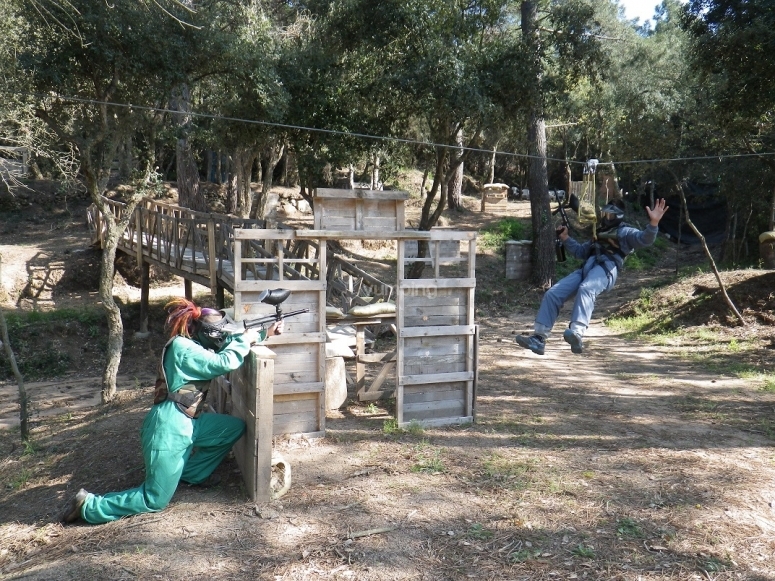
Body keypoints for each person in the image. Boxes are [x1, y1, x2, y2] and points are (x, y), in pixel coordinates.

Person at [60, 298, 283, 524]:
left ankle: (190, 474)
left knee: (232, 428)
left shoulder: (194, 345)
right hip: (167, 428)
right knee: (154, 499)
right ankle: (89, 505)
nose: (224, 337)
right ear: (209, 333)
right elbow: (222, 362)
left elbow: (226, 348)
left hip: (187, 422)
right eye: (221, 334)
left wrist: (264, 334)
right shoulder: (183, 348)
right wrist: (245, 339)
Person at [515, 198, 669, 356]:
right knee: (552, 294)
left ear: (618, 216)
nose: (605, 218)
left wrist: (654, 223)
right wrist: (566, 238)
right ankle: (539, 338)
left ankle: (577, 333)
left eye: (610, 215)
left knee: (586, 288)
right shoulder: (599, 233)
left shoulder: (625, 232)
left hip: (605, 270)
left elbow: (645, 239)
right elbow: (581, 251)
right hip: (586, 269)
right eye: (605, 214)